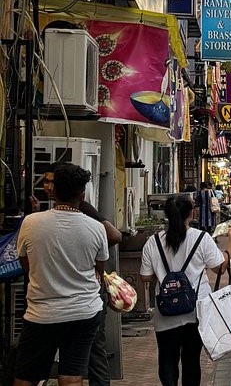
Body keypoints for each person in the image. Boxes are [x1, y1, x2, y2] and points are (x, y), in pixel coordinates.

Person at [13, 162, 109, 386]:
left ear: (54, 190)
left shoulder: (31, 222)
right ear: (82, 194)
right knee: (71, 377)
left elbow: (25, 263)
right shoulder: (96, 228)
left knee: (26, 377)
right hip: (84, 311)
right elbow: (99, 269)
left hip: (42, 313)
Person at [35, 164, 124, 386]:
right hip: (59, 299)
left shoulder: (82, 209)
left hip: (83, 297)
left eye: (52, 182)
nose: (48, 187)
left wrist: (87, 258)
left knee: (93, 352)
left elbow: (114, 236)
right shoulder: (42, 216)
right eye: (45, 181)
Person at [140, 195, 229, 386]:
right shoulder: (201, 238)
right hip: (195, 312)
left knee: (167, 360)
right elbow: (220, 268)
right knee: (191, 360)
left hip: (165, 313)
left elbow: (145, 277)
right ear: (191, 213)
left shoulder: (153, 242)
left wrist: (163, 275)